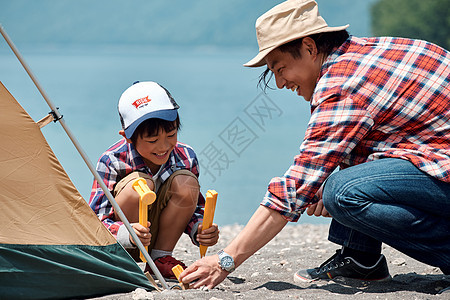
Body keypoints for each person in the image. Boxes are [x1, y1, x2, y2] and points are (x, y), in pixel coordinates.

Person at [179, 0, 450, 289]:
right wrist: (317, 182)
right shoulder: (363, 53)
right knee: (334, 178)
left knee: (342, 191)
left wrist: (225, 259)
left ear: (309, 48)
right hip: (437, 158)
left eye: (280, 68)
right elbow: (359, 146)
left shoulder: (342, 87)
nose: (280, 83)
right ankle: (361, 258)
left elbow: (293, 189)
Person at [89, 81, 219, 279]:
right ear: (128, 137)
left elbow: (193, 210)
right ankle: (125, 261)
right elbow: (95, 222)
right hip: (126, 239)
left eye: (171, 134)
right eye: (152, 140)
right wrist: (126, 232)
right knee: (139, 184)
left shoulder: (186, 156)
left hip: (160, 237)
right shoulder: (111, 161)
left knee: (187, 182)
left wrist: (199, 229)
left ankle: (160, 258)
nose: (164, 146)